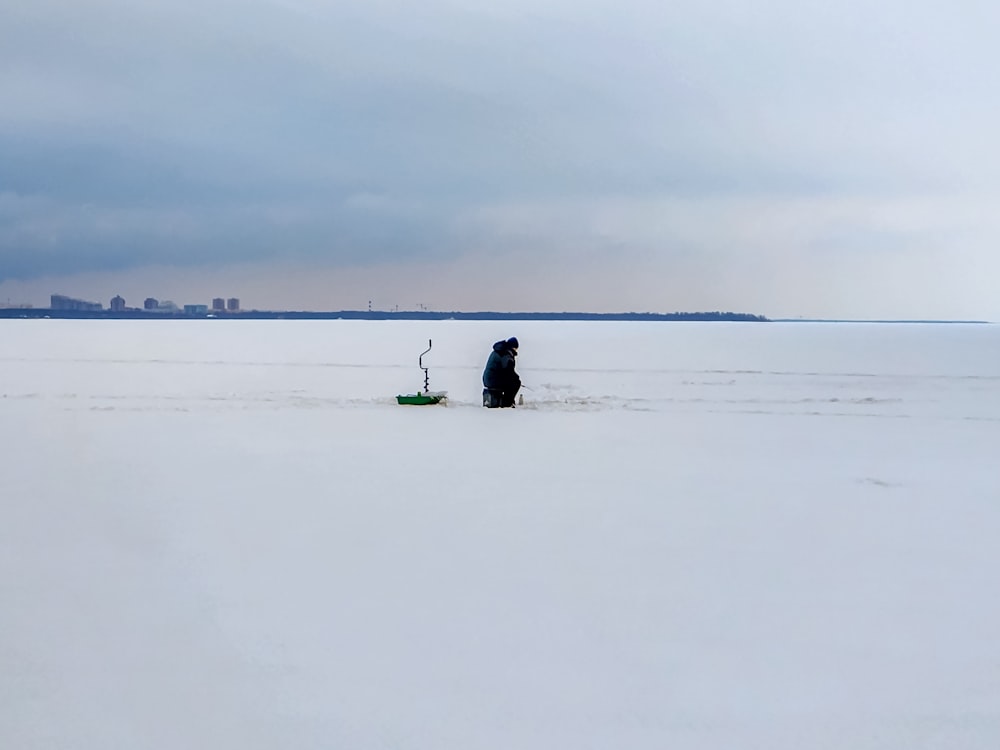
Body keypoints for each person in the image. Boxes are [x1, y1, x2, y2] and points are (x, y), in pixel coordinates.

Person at [482, 337, 521, 408]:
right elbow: (508, 371)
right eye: (516, 348)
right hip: (494, 380)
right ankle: (507, 403)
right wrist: (516, 378)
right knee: (516, 383)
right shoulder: (506, 354)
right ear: (513, 347)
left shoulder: (498, 351)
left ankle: (503, 400)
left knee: (511, 381)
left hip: (487, 379)